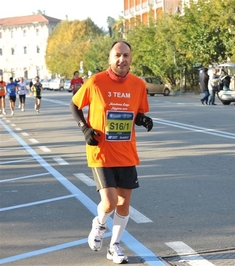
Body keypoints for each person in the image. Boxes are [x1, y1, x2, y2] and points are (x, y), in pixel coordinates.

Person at [70, 41, 153, 264]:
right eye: (117, 55)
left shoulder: (138, 84)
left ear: (131, 58)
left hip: (126, 152)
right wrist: (84, 128)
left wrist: (143, 119)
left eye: (126, 55)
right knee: (109, 202)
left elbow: (135, 113)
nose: (122, 60)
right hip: (101, 152)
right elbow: (75, 104)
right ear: (110, 58)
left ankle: (114, 245)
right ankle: (99, 224)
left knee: (124, 203)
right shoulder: (95, 81)